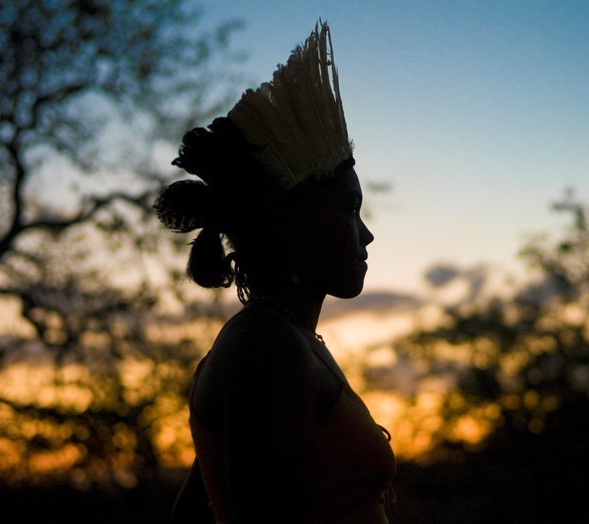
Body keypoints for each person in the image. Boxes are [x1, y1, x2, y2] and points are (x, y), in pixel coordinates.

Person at [157, 21, 396, 523]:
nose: (366, 235)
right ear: (294, 226)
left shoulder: (280, 341)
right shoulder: (267, 350)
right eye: (350, 211)